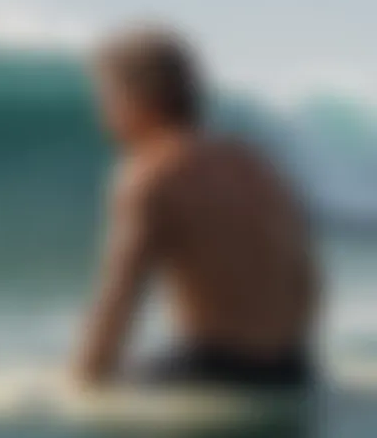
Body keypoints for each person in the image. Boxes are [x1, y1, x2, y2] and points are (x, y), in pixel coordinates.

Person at [74, 23, 319, 388]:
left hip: (214, 372)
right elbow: (306, 282)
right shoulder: (255, 164)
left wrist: (82, 380)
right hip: (293, 367)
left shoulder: (150, 174)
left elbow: (119, 296)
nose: (102, 114)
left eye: (107, 97)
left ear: (137, 99)